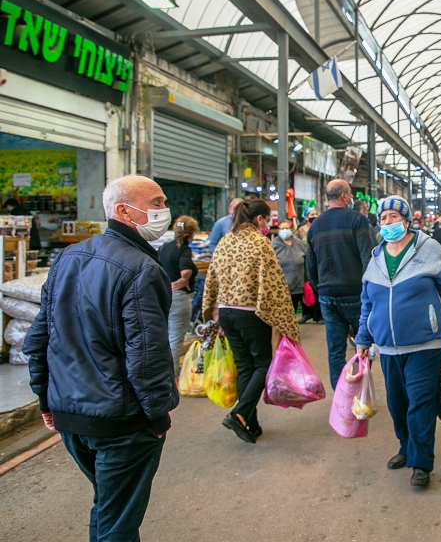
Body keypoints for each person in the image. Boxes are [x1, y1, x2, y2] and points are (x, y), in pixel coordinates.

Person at [22, 175, 178, 541]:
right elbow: (148, 356)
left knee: (107, 509)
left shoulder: (67, 258)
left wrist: (45, 398)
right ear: (124, 210)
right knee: (118, 523)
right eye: (155, 203)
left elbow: (39, 338)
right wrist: (156, 415)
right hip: (121, 423)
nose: (164, 211)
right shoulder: (143, 269)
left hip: (71, 417)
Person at [355, 196, 441, 488]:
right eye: (383, 219)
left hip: (425, 342)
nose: (388, 223)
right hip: (388, 346)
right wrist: (363, 338)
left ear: (407, 220)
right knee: (397, 403)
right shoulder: (377, 256)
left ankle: (421, 462)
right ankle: (406, 448)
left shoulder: (429, 249)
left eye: (394, 217)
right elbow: (367, 303)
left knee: (420, 402)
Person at [203, 199, 300, 444]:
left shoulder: (225, 242)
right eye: (267, 220)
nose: (268, 225)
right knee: (264, 363)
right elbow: (274, 284)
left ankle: (250, 422)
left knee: (245, 366)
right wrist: (286, 320)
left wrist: (212, 314)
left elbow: (211, 278)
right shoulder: (260, 243)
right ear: (259, 219)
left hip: (227, 313)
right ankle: (238, 413)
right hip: (250, 314)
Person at [306, 179, 375, 389]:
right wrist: (370, 291)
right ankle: (361, 391)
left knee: (335, 350)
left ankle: (342, 397)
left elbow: (310, 265)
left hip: (327, 295)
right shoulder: (357, 220)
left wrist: (321, 288)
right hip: (355, 294)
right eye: (351, 193)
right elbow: (368, 258)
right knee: (364, 344)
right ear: (344, 196)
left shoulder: (315, 225)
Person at [159, 215, 199, 372]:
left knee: (165, 338)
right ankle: (172, 376)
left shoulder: (165, 247)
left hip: (163, 296)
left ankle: (163, 374)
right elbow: (186, 268)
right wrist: (184, 279)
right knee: (175, 339)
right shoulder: (184, 249)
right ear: (192, 234)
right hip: (179, 298)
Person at [272, 220, 310, 324]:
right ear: (278, 231)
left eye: (287, 228)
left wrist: (307, 280)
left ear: (292, 229)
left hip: (297, 286)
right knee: (283, 316)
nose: (285, 230)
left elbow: (306, 261)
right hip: (281, 288)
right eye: (282, 228)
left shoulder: (299, 243)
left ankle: (290, 337)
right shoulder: (273, 245)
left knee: (292, 312)